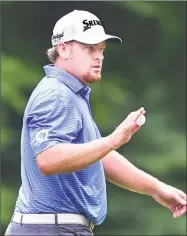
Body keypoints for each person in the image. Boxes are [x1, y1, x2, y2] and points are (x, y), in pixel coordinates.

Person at [5, 9, 186, 236]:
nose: (99, 56)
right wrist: (112, 140)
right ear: (63, 49)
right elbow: (49, 158)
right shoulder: (56, 94)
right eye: (89, 48)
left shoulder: (72, 94)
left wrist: (155, 188)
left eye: (101, 49)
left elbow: (100, 155)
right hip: (48, 228)